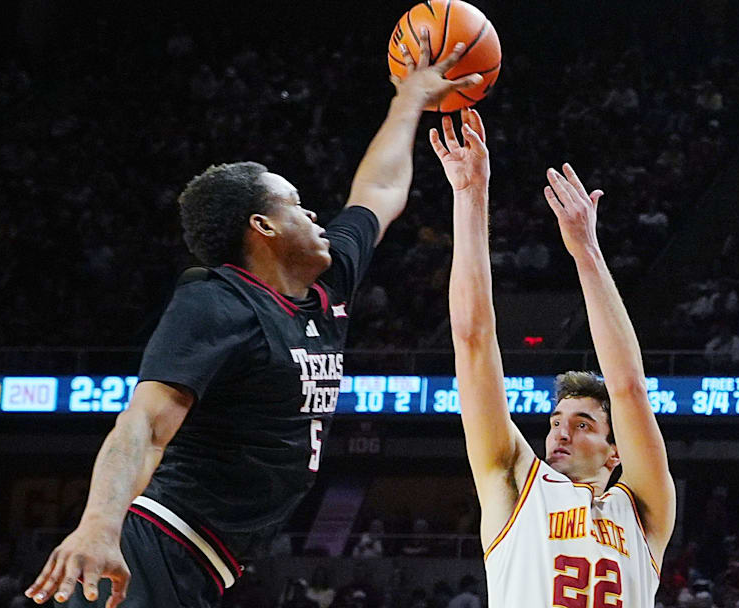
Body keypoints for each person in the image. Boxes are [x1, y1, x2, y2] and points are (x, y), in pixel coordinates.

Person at [25, 36, 483, 608]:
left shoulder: (327, 278)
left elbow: (380, 190)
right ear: (263, 227)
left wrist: (410, 98)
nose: (315, 212)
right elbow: (143, 425)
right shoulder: (216, 301)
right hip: (158, 545)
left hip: (205, 559)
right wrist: (99, 523)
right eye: (294, 203)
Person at [432, 109, 675, 606]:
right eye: (558, 420)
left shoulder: (646, 512)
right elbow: (473, 339)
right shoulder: (515, 481)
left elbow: (628, 386)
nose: (560, 433)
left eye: (583, 424)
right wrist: (470, 194)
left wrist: (587, 250)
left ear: (615, 452)